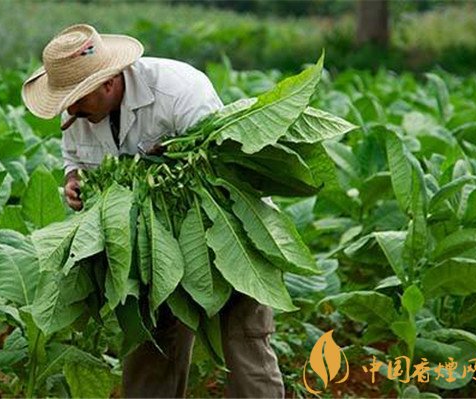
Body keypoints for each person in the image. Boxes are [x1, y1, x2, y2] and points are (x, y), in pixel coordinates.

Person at [22, 24, 284, 398]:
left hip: (229, 232)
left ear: (109, 83)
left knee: (245, 342)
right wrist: (74, 183)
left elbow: (219, 169)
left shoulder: (179, 89)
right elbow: (74, 161)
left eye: (78, 99)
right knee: (151, 348)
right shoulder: (78, 113)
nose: (71, 110)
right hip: (152, 246)